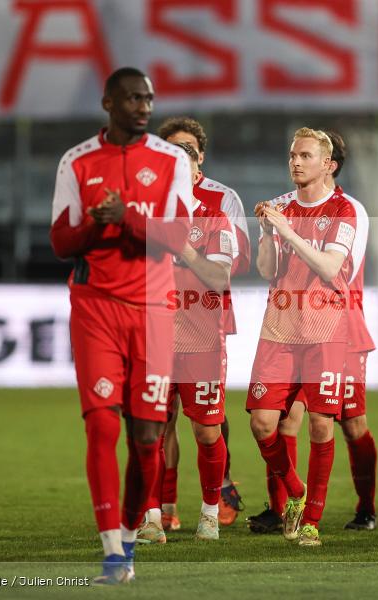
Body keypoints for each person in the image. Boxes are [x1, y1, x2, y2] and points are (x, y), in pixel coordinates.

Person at [49, 67, 192, 583]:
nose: (144, 107)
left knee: (147, 439)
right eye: (133, 98)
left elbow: (179, 237)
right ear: (108, 102)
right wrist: (96, 221)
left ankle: (130, 537)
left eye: (148, 99)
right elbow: (61, 242)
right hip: (96, 307)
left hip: (154, 309)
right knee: (102, 424)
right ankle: (112, 548)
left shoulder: (172, 160)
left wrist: (126, 217)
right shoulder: (77, 161)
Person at [246, 131, 378, 534]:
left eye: (305, 155)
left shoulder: (350, 210)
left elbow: (336, 272)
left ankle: (363, 508)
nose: (296, 162)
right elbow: (268, 269)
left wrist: (288, 232)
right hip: (286, 326)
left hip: (338, 326)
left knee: (347, 423)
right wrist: (268, 232)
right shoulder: (282, 205)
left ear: (329, 164)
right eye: (293, 155)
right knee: (278, 422)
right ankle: (285, 504)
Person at [141, 117, 250, 533]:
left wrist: (184, 250)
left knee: (208, 423)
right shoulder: (146, 205)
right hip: (156, 328)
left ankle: (219, 494)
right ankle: (161, 510)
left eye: (185, 153)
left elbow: (234, 263)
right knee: (158, 422)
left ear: (199, 157)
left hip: (204, 322)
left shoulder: (222, 201)